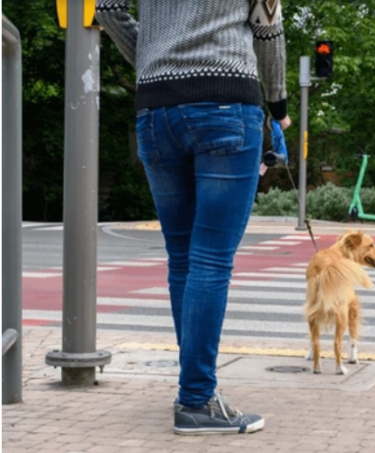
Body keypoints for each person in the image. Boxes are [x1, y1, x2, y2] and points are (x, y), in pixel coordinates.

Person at [95, 0, 290, 435]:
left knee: (182, 258)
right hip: (224, 102)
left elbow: (106, 8)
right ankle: (196, 400)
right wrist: (278, 106)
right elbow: (268, 28)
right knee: (211, 259)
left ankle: (193, 389)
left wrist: (154, 60)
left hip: (155, 110)